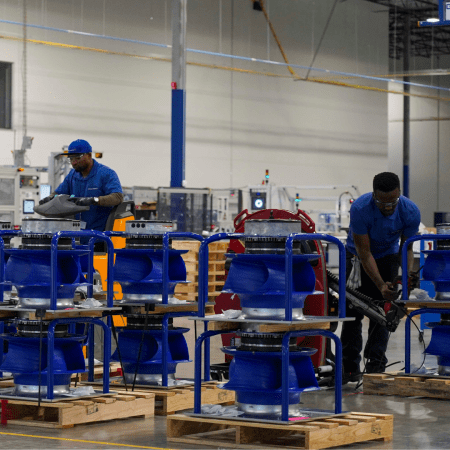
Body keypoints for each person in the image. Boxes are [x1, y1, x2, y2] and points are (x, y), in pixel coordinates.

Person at [341, 172, 420, 382]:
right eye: (382, 203)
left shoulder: (410, 211)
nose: (388, 207)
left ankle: (375, 367)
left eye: (392, 202)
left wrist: (406, 276)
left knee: (384, 314)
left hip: (388, 257)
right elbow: (364, 253)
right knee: (352, 312)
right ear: (373, 195)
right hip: (356, 258)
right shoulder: (360, 209)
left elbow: (406, 248)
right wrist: (379, 284)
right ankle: (349, 369)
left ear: (399, 193)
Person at [40, 139, 123, 233]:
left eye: (77, 158)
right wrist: (50, 198)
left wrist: (94, 200)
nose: (74, 162)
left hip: (100, 235)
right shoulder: (72, 175)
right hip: (76, 233)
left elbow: (118, 197)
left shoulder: (106, 173)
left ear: (89, 155)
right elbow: (58, 193)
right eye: (71, 159)